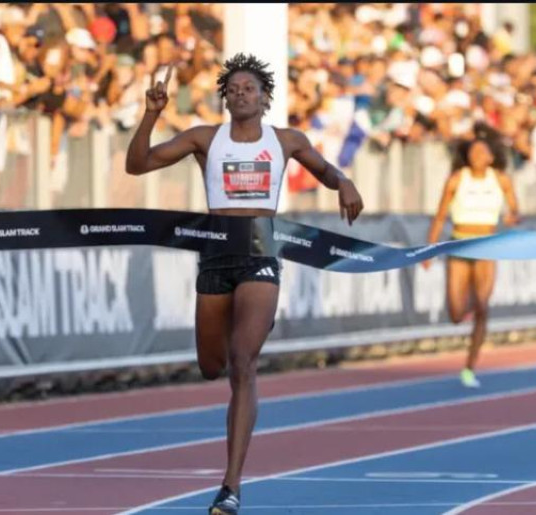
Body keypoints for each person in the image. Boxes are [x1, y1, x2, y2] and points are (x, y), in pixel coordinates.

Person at [125, 53, 364, 515]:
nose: (240, 94)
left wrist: (345, 182)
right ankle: (231, 470)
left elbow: (326, 170)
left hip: (260, 255)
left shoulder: (286, 141)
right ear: (224, 99)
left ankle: (231, 486)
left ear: (265, 97)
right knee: (212, 364)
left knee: (243, 363)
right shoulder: (204, 139)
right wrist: (151, 115)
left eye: (248, 88)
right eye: (232, 89)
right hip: (215, 256)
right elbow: (138, 165)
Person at [425, 128, 520, 389]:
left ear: (491, 156)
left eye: (482, 151)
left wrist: (513, 218)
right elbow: (440, 215)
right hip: (460, 244)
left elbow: (514, 210)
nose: (477, 155)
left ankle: (469, 366)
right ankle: (466, 307)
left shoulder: (500, 179)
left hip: (487, 245)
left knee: (483, 307)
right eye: (473, 151)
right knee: (456, 313)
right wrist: (429, 250)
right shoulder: (457, 179)